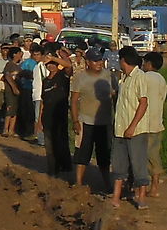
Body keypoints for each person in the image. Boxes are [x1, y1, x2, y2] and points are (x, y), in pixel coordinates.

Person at [110, 46, 152, 210]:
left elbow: (143, 102)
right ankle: (115, 196)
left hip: (135, 129)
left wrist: (132, 126)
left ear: (123, 60)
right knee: (119, 163)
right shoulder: (124, 78)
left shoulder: (139, 76)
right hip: (120, 128)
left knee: (138, 163)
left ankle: (141, 197)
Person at [71, 48, 115, 193]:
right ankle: (78, 183)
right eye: (95, 60)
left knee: (104, 154)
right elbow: (74, 100)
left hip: (104, 122)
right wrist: (75, 121)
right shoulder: (80, 77)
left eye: (100, 60)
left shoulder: (109, 75)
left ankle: (107, 184)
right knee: (83, 153)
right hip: (86, 121)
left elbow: (115, 96)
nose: (99, 63)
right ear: (88, 62)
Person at [38, 52, 74, 176]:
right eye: (49, 64)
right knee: (49, 145)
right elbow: (43, 101)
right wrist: (38, 120)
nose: (51, 66)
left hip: (60, 116)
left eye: (53, 64)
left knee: (61, 142)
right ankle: (52, 169)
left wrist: (53, 58)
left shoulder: (62, 76)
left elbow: (68, 66)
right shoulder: (45, 81)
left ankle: (64, 167)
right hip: (47, 117)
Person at [142, 52, 167, 198]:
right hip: (157, 122)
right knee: (154, 155)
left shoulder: (144, 78)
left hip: (145, 124)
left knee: (145, 156)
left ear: (149, 63)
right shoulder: (161, 79)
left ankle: (148, 187)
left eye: (145, 62)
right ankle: (155, 187)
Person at [2, 46, 23, 137]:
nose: (20, 55)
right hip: (10, 91)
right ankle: (5, 129)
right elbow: (7, 76)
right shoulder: (9, 65)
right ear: (14, 54)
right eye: (19, 53)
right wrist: (14, 88)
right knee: (9, 109)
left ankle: (11, 130)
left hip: (17, 90)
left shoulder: (18, 66)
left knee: (14, 111)